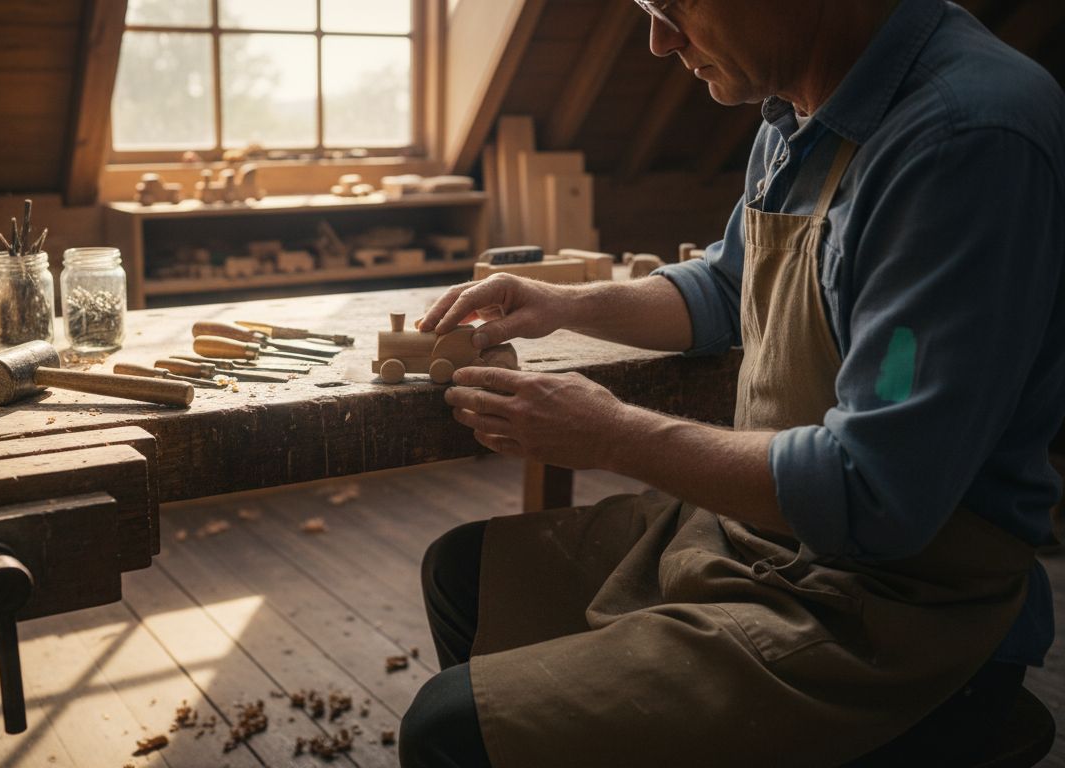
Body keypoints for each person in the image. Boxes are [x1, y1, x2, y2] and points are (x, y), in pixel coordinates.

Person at [399, 0, 1065, 766]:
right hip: (761, 538)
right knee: (464, 577)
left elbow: (875, 493)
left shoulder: (965, 139)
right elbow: (724, 289)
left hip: (894, 606)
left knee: (448, 729)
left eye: (674, 5)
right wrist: (560, 303)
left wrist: (610, 433)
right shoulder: (797, 105)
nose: (659, 40)